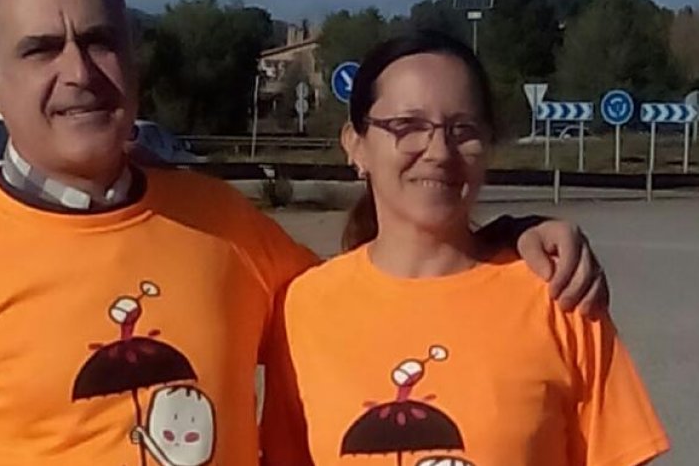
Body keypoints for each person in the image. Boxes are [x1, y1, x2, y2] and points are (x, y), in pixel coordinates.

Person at [0, 0, 610, 466]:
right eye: (41, 48)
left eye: (101, 41)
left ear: (134, 55)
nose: (79, 72)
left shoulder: (223, 226)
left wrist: (508, 239)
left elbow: (384, 297)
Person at [276, 30, 669, 466]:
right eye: (408, 127)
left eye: (463, 130)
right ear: (356, 145)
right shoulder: (302, 310)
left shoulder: (559, 296)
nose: (439, 152)